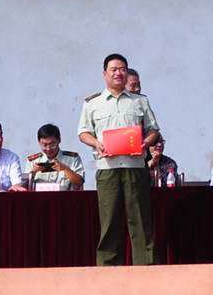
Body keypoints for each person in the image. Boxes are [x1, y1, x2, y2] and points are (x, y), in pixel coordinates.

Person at [78, 53, 160, 266]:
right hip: (108, 169)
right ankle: (108, 266)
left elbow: (153, 130)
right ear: (104, 74)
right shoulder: (93, 104)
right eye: (113, 69)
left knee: (140, 219)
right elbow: (83, 132)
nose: (118, 73)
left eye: (122, 69)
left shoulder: (139, 101)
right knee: (109, 220)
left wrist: (145, 143)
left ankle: (146, 265)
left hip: (135, 167)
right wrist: (97, 144)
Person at [25, 124, 85, 190]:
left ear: (59, 140)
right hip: (40, 196)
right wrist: (33, 173)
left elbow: (80, 182)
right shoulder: (33, 161)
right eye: (44, 145)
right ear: (39, 142)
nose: (48, 149)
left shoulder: (73, 159)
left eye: (52, 145)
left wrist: (65, 169)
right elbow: (25, 185)